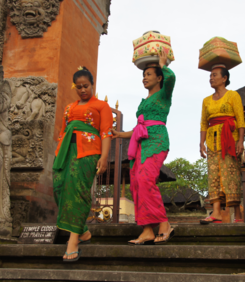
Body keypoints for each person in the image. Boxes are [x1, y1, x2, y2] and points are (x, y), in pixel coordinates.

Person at [112, 51, 176, 244]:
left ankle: (164, 223)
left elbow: (171, 78)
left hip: (156, 141)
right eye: (143, 75)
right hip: (141, 143)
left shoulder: (164, 94)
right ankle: (147, 229)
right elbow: (139, 128)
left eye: (148, 75)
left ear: (159, 77)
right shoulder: (144, 102)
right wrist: (120, 134)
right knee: (136, 183)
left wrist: (163, 64)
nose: (144, 78)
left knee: (146, 178)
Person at [52, 66, 113, 261]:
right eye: (78, 87)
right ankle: (83, 231)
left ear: (92, 85)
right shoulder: (69, 107)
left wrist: (104, 157)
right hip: (65, 151)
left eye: (86, 86)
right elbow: (62, 132)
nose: (82, 90)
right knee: (59, 187)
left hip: (88, 152)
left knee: (77, 191)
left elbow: (105, 132)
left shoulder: (101, 106)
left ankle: (73, 240)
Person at [199, 65, 245, 224]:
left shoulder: (233, 95)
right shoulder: (206, 101)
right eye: (210, 75)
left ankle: (237, 215)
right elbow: (204, 124)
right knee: (214, 175)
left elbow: (240, 119)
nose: (211, 78)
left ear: (224, 78)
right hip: (212, 141)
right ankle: (216, 212)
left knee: (230, 174)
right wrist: (201, 143)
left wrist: (241, 140)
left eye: (214, 75)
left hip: (229, 140)